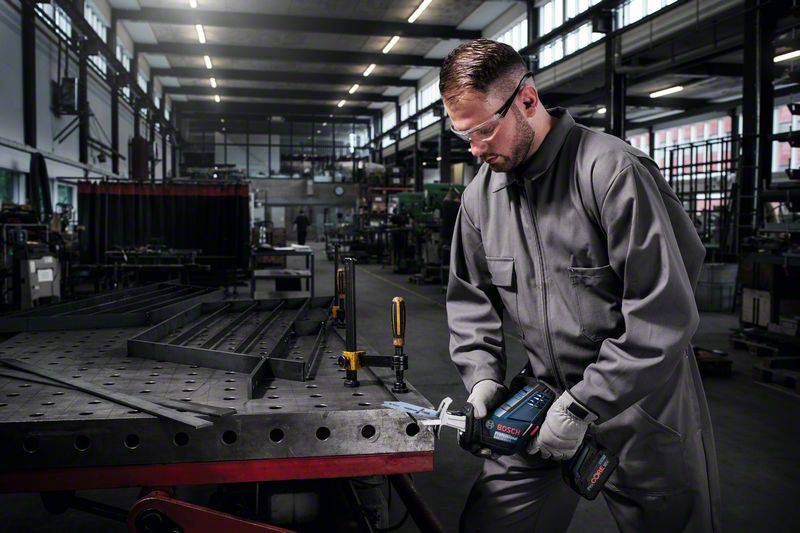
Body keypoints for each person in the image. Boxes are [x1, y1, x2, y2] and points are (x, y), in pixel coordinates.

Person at [443, 39, 720, 532]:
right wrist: (482, 377)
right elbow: (471, 299)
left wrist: (587, 402)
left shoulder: (611, 171)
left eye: (485, 130)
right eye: (463, 135)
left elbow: (665, 312)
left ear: (527, 100)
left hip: (643, 405)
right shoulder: (480, 199)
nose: (476, 149)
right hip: (542, 399)